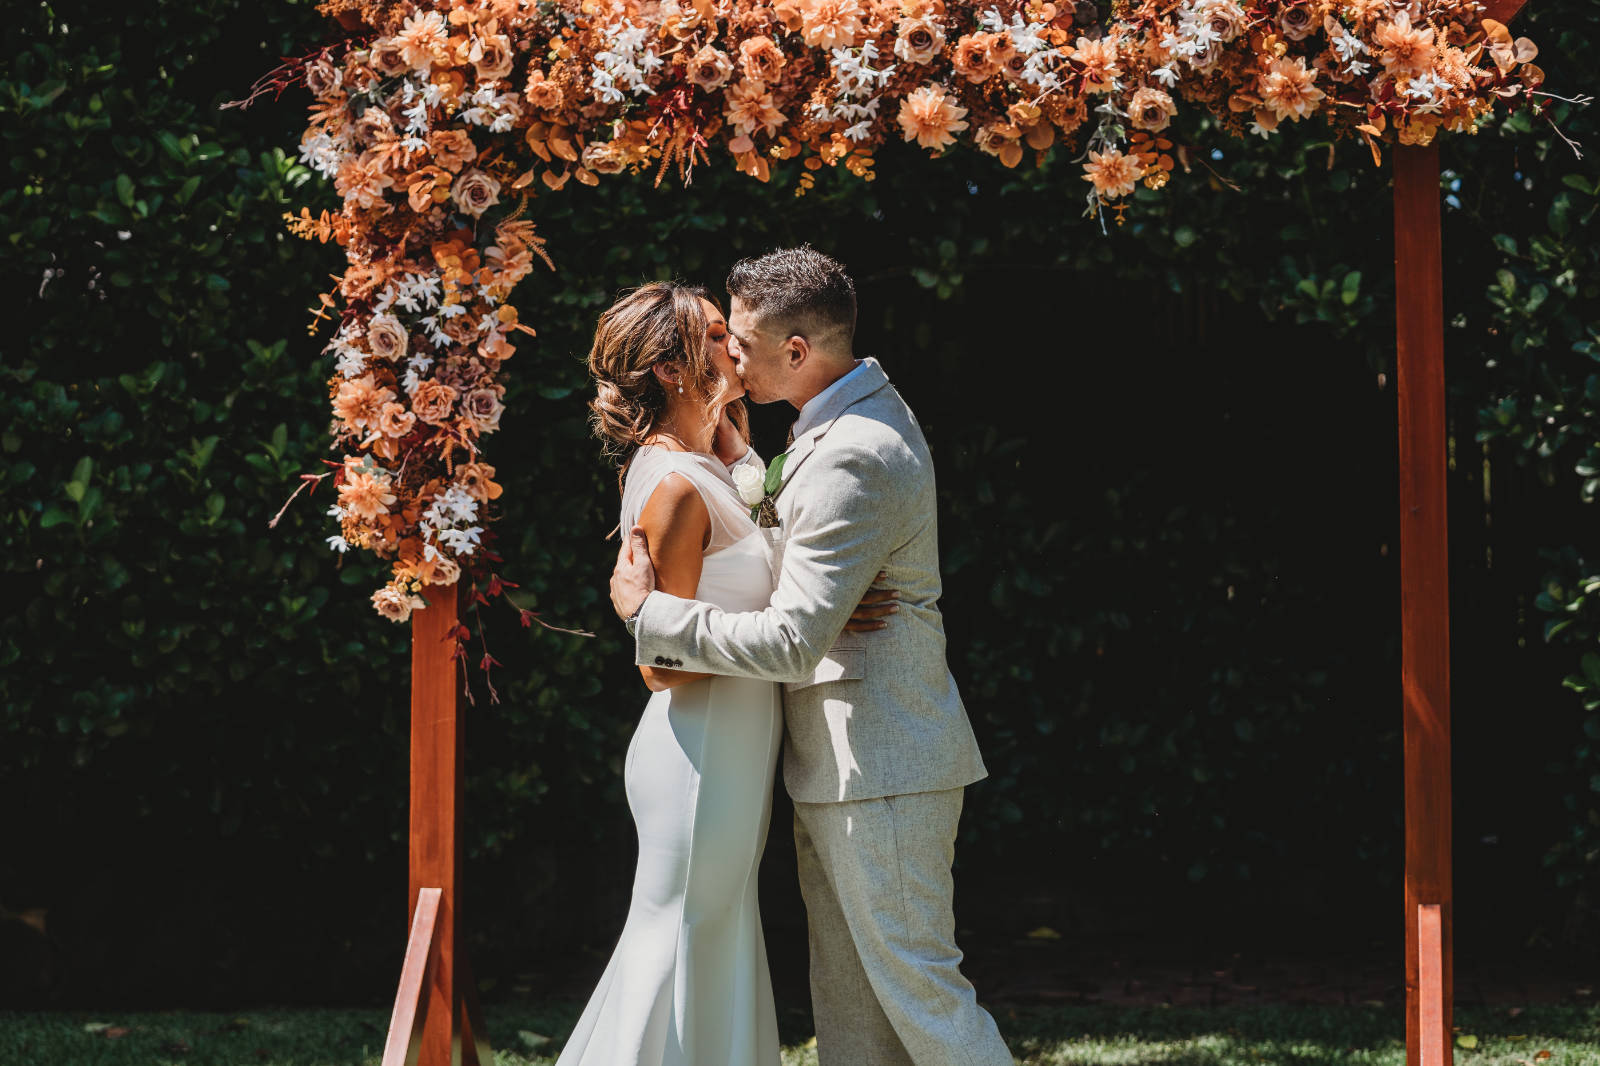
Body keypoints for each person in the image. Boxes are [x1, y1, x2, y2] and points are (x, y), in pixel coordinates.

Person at [610, 248, 1011, 1066]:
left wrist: (650, 614)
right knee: (854, 1009)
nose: (731, 355)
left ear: (797, 352)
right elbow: (792, 579)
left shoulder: (854, 448)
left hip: (881, 761)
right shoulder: (819, 429)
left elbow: (795, 639)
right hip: (835, 763)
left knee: (923, 997)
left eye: (743, 339)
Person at [558, 281, 890, 1066]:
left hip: (736, 745)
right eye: (713, 336)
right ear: (673, 368)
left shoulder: (710, 461)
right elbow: (659, 669)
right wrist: (804, 622)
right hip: (699, 754)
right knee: (678, 936)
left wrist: (826, 599)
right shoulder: (672, 485)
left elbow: (757, 561)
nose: (733, 345)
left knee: (712, 933)